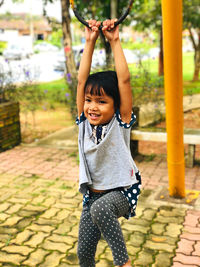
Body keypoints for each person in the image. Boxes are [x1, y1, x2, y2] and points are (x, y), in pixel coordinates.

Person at [76, 19, 141, 267]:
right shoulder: (83, 123)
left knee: (102, 209)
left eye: (101, 102)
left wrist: (114, 40)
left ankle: (123, 262)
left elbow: (124, 82)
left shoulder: (119, 123)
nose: (93, 106)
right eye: (89, 100)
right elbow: (82, 82)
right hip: (92, 196)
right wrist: (89, 41)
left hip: (123, 191)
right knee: (83, 253)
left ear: (115, 106)